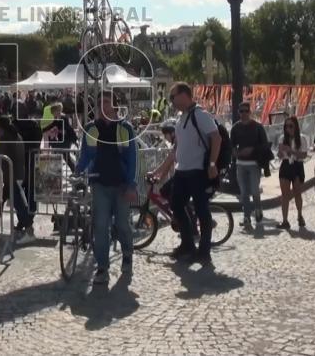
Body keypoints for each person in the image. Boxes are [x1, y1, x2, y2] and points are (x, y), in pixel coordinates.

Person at [151, 82, 221, 265]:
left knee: (201, 210)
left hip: (198, 171)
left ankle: (204, 250)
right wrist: (161, 172)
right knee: (177, 205)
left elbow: (216, 137)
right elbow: (176, 150)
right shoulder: (181, 119)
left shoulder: (201, 115)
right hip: (182, 171)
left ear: (184, 95)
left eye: (173, 96)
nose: (171, 101)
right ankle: (188, 244)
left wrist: (212, 164)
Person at [75, 91, 137, 284]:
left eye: (107, 102)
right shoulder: (90, 129)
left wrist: (131, 185)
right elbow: (85, 155)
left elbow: (133, 159)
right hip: (99, 184)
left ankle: (127, 254)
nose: (102, 105)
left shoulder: (125, 128)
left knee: (122, 224)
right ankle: (102, 267)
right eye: (99, 102)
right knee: (100, 226)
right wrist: (77, 171)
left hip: (121, 185)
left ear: (115, 106)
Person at [0, 116, 34, 245]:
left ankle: (29, 231)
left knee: (19, 204)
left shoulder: (5, 138)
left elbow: (0, 158)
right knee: (2, 199)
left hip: (11, 176)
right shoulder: (17, 135)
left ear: (1, 128)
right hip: (17, 174)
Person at [230, 101, 269, 230]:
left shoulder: (257, 127)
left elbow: (265, 145)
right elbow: (232, 145)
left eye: (246, 111)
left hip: (254, 164)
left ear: (250, 112)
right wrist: (234, 151)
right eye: (241, 111)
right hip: (240, 163)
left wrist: (252, 149)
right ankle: (246, 217)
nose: (244, 114)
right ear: (238, 113)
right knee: (244, 192)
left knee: (254, 190)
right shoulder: (235, 128)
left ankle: (258, 208)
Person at [277, 115, 309, 230]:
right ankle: (285, 220)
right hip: (285, 165)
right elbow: (280, 155)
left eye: (291, 126)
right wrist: (280, 153)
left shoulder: (302, 138)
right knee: (284, 195)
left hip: (297, 165)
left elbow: (304, 155)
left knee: (297, 193)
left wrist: (291, 151)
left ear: (295, 126)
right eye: (286, 126)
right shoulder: (282, 139)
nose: (288, 129)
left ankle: (300, 215)